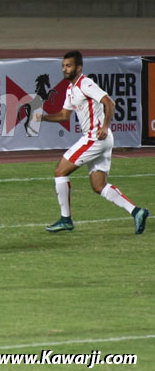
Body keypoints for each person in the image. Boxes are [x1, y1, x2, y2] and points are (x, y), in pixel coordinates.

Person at [34, 51, 149, 234]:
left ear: (78, 68)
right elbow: (64, 115)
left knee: (60, 171)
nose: (65, 69)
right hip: (100, 139)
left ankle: (66, 219)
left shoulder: (85, 83)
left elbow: (109, 103)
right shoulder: (71, 89)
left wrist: (104, 126)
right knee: (99, 186)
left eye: (69, 66)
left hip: (96, 137)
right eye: (63, 66)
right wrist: (43, 118)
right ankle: (137, 211)